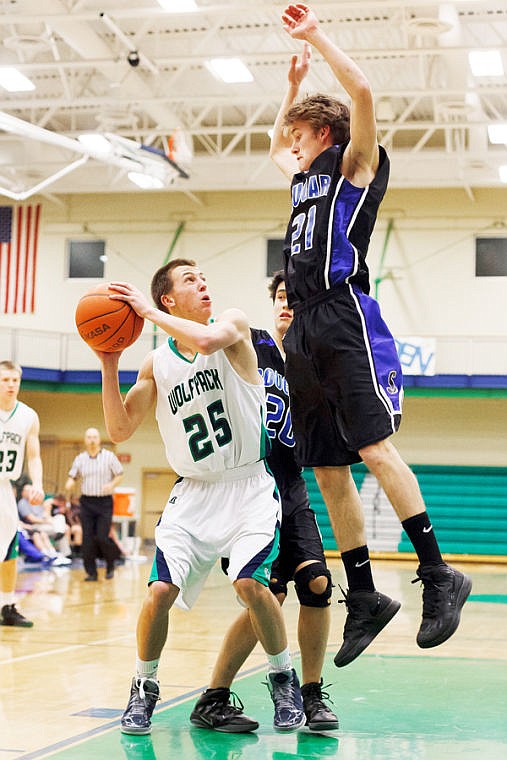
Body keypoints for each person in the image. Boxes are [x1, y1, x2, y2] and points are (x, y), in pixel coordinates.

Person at [269, 4, 471, 666]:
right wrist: (288, 89)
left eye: (300, 133)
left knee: (376, 451)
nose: (290, 144)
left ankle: (438, 575)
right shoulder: (299, 178)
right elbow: (273, 145)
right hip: (300, 328)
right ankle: (365, 596)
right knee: (327, 469)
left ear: (323, 133)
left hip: (342, 315)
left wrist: (315, 40)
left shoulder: (354, 162)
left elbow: (362, 92)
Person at [93, 259, 305, 735]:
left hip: (249, 486)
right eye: (191, 281)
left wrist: (145, 313)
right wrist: (108, 362)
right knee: (159, 592)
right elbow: (119, 428)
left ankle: (282, 678)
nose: (203, 284)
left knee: (251, 585)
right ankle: (143, 687)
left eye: (204, 278)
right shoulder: (156, 362)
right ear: (170, 298)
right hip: (193, 493)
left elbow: (204, 341)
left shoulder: (231, 325)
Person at [190, 271, 338, 733]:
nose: (287, 304)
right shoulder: (249, 342)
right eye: (279, 297)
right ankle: (215, 695)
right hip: (249, 485)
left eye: (296, 299)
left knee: (316, 584)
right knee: (266, 594)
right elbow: (206, 345)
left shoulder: (319, 364)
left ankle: (311, 695)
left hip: (291, 486)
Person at [0, 360, 45, 627]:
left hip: (5, 487)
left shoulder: (28, 416)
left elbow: (35, 456)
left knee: (8, 549)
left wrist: (37, 484)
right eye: (5, 380)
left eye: (15, 380)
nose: (11, 385)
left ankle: (6, 605)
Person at [65, 427, 123, 581]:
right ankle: (91, 572)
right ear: (85, 440)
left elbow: (120, 474)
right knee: (87, 539)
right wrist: (69, 483)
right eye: (89, 437)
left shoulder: (109, 457)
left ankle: (111, 564)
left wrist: (112, 485)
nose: (91, 440)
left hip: (104, 502)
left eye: (94, 437)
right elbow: (72, 476)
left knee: (102, 537)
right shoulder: (80, 459)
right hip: (87, 503)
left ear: (99, 439)